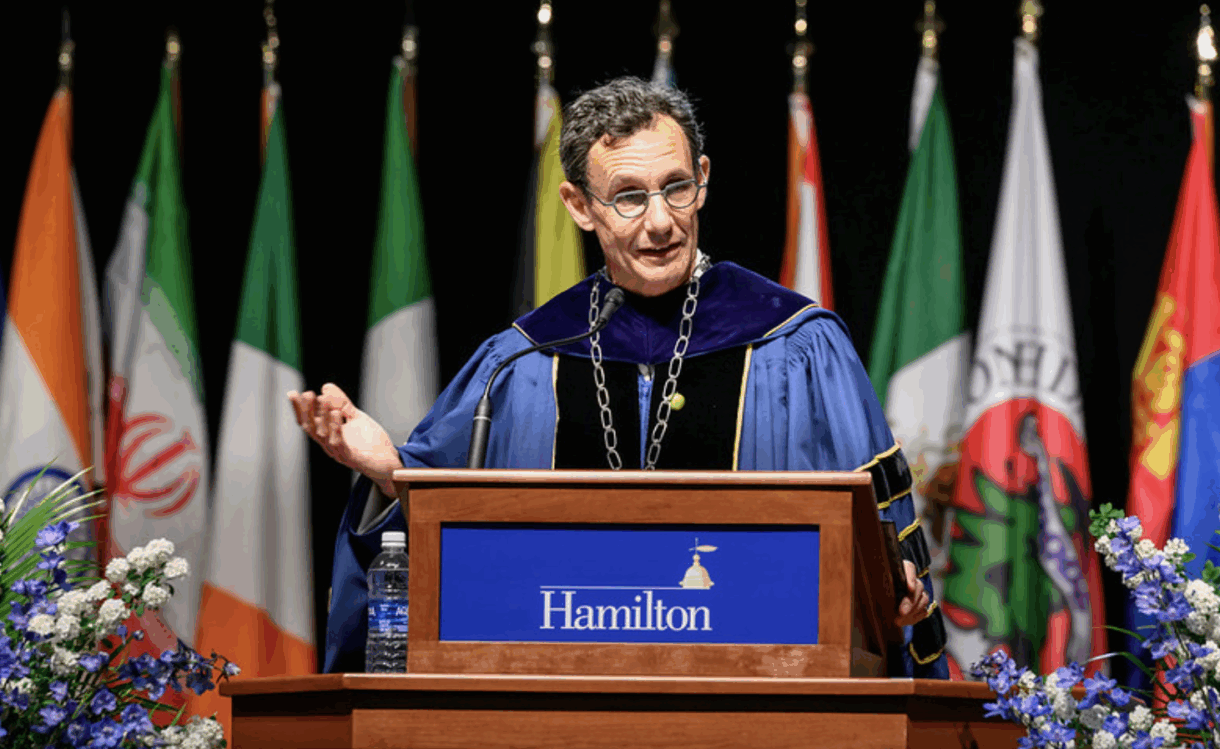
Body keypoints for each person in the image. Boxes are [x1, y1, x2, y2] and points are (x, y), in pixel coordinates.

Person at [289, 77, 948, 678]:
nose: (660, 220)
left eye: (676, 187)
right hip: (562, 696)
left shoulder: (798, 342)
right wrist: (386, 469)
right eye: (629, 197)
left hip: (759, 696)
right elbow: (448, 536)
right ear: (580, 205)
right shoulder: (523, 361)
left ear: (705, 179)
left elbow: (883, 538)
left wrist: (899, 578)